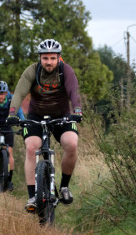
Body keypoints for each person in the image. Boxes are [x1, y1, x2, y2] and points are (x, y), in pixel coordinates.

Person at [6, 39, 83, 211]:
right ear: (40, 58)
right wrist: (12, 113)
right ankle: (33, 196)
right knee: (31, 147)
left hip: (62, 116)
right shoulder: (32, 71)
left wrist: (77, 110)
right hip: (36, 116)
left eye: (53, 58)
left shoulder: (66, 71)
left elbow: (74, 91)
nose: (49, 62)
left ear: (59, 58)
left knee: (71, 144)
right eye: (45, 58)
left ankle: (64, 187)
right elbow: (19, 92)